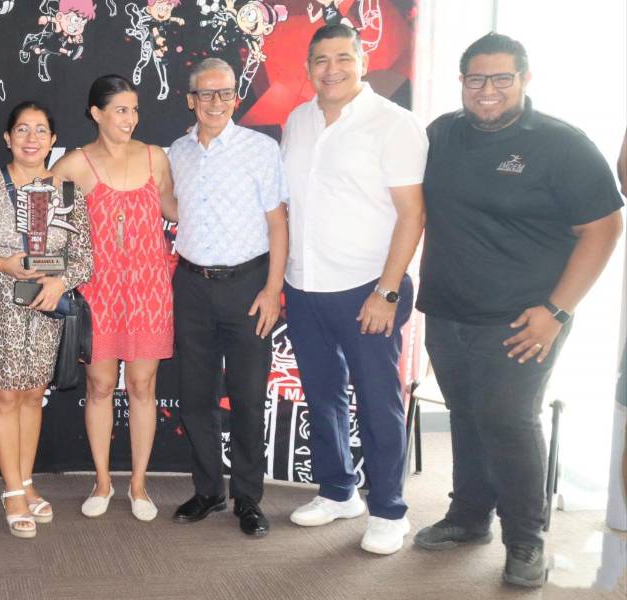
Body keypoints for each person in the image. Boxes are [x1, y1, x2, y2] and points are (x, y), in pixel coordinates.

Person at [411, 33, 624, 587]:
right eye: (476, 78)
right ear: (462, 81)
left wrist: (557, 311)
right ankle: (469, 516)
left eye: (501, 78)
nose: (488, 90)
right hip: (447, 312)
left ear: (525, 79)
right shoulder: (440, 134)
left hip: (524, 320)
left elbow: (604, 229)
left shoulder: (561, 143)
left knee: (509, 422)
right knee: (466, 415)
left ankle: (526, 540)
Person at [280, 24, 427, 555]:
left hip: (368, 287)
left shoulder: (394, 124)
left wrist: (387, 292)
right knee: (322, 395)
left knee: (377, 401)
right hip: (304, 285)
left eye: (343, 57)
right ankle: (338, 490)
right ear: (308, 67)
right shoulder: (297, 120)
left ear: (362, 62)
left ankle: (389, 510)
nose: (332, 69)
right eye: (321, 60)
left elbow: (412, 214)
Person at [0, 101, 93, 538]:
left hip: (44, 309)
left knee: (32, 395)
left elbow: (84, 258)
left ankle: (26, 483)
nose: (32, 139)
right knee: (6, 397)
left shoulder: (68, 192)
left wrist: (60, 282)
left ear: (53, 140)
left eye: (41, 130)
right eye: (23, 130)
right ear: (8, 138)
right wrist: (2, 263)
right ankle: (12, 491)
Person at [167, 58, 288, 536]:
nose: (215, 102)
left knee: (247, 397)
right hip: (192, 286)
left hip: (248, 287)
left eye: (225, 93)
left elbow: (278, 223)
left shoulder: (261, 149)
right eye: (206, 93)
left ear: (236, 98)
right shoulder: (177, 151)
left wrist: (273, 289)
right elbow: (172, 206)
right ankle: (208, 490)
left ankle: (248, 498)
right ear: (190, 100)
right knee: (195, 397)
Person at [50, 74, 176, 521]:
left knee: (143, 387)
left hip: (149, 290)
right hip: (97, 293)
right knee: (100, 387)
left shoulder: (156, 157)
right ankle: (102, 481)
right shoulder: (73, 165)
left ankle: (139, 485)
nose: (130, 118)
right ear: (96, 113)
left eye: (134, 109)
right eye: (121, 110)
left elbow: (175, 209)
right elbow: (42, 223)